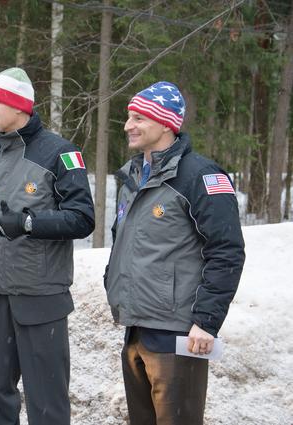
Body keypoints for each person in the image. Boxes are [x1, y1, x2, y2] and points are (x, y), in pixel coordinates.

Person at [0, 67, 95, 425]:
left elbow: (82, 218)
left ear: (19, 105)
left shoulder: (59, 153)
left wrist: (29, 223)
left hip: (40, 298)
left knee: (46, 402)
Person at [104, 81, 245, 425]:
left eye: (139, 118)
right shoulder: (132, 177)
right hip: (136, 328)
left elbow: (226, 251)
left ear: (166, 123)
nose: (128, 125)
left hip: (178, 334)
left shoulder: (199, 176)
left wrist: (206, 322)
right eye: (128, 117)